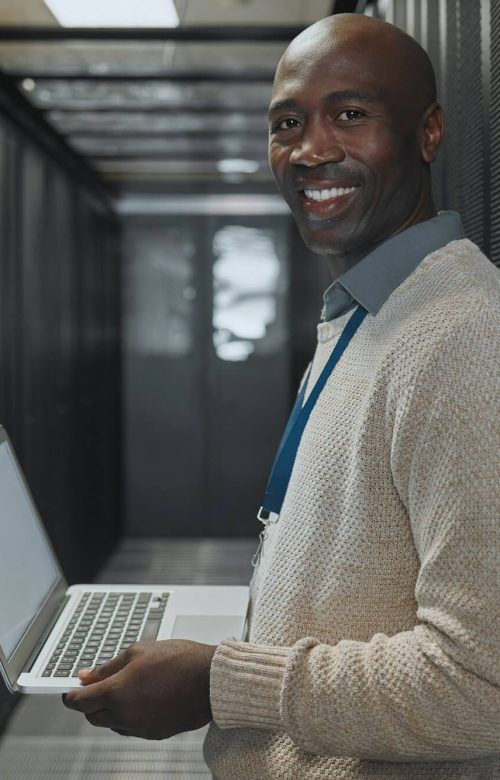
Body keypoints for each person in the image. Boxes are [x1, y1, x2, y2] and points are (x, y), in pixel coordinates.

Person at [64, 12, 500, 779]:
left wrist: (217, 682)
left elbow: (478, 685)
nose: (310, 149)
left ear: (428, 133)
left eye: (351, 115)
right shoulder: (367, 311)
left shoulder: (463, 337)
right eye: (287, 122)